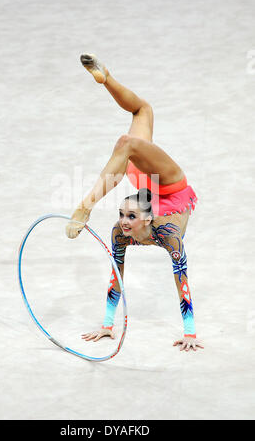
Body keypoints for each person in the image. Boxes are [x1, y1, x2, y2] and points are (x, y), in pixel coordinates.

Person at [66, 54, 203, 352]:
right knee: (142, 110)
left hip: (170, 187)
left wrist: (189, 332)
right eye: (121, 214)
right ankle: (107, 78)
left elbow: (182, 283)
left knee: (126, 143)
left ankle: (86, 204)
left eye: (130, 217)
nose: (123, 222)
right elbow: (117, 275)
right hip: (146, 184)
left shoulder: (168, 234)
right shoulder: (120, 233)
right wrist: (106, 325)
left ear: (147, 219)